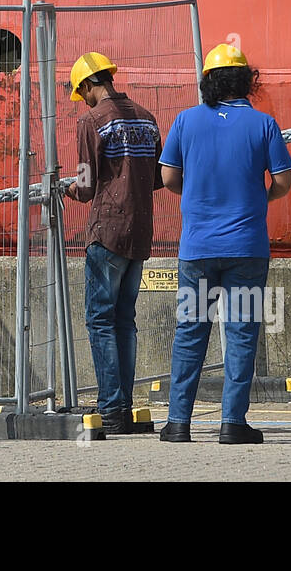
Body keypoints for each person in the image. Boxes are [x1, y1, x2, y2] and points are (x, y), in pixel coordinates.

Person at [157, 43, 291, 444]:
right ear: (247, 82)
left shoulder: (185, 121)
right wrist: (254, 200)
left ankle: (178, 423)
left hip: (197, 250)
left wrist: (199, 200)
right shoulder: (264, 124)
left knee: (190, 332)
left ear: (208, 82)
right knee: (241, 333)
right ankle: (233, 423)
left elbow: (167, 178)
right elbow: (282, 182)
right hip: (246, 249)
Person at [64, 52, 163, 435]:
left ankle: (112, 408)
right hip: (140, 232)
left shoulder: (91, 121)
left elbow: (86, 186)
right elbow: (157, 177)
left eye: (81, 92)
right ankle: (123, 406)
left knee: (100, 320)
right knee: (125, 320)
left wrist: (70, 188)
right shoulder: (148, 118)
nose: (83, 98)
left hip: (106, 232)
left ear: (88, 85)